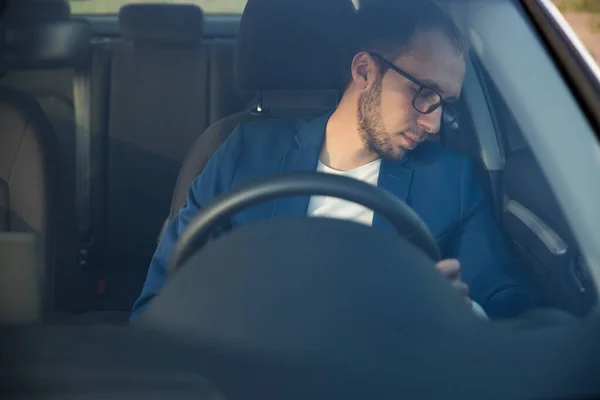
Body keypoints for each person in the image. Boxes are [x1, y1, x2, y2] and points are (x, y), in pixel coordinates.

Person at [130, 1, 538, 321]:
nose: (432, 122)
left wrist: (461, 313)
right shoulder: (241, 154)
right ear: (364, 70)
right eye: (424, 92)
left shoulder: (451, 180)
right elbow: (159, 304)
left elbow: (513, 307)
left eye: (443, 104)